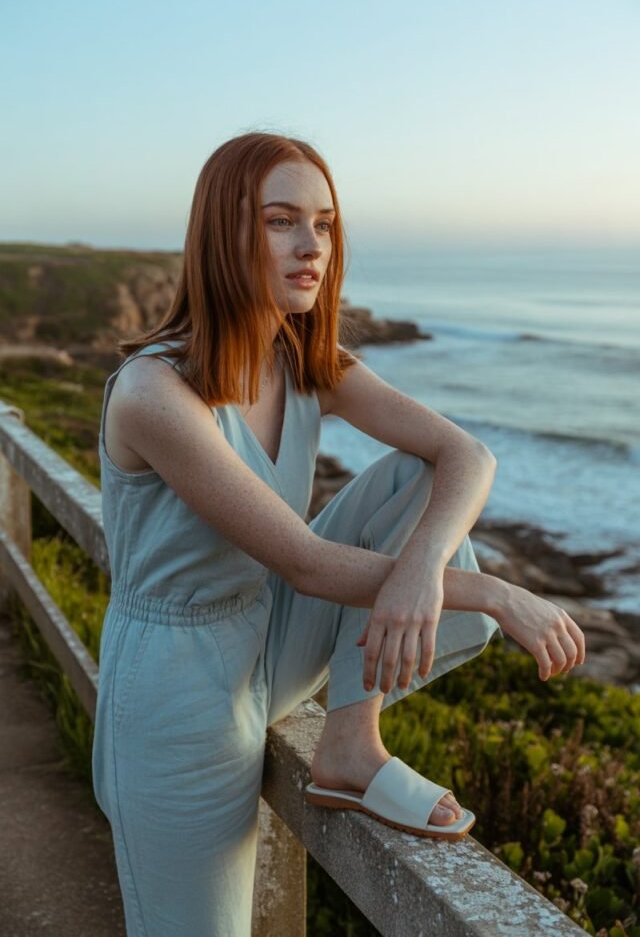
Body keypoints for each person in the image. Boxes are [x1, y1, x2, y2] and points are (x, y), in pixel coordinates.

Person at [92, 131, 586, 937]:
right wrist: (494, 591)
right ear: (225, 231)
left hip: (270, 633)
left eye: (324, 223)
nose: (311, 247)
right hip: (174, 690)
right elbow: (307, 560)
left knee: (418, 477)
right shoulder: (154, 392)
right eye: (281, 221)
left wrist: (424, 565)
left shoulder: (305, 358)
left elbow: (467, 453)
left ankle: (352, 744)